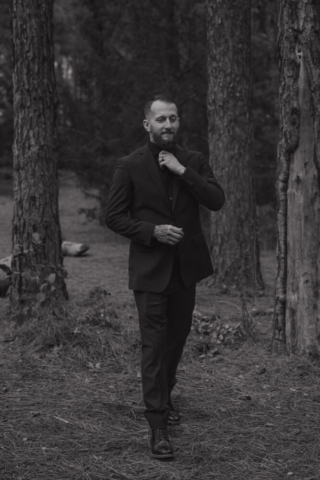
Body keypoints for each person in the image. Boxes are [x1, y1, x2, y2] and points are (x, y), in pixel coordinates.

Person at [106, 94, 225, 459]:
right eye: (161, 119)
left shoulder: (192, 161)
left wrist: (180, 170)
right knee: (153, 347)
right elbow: (114, 216)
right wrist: (152, 231)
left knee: (175, 342)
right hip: (149, 272)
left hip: (185, 272)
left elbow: (216, 199)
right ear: (148, 124)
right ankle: (157, 425)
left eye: (173, 118)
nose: (168, 125)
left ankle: (165, 394)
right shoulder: (129, 165)